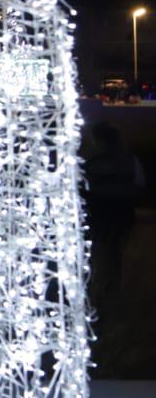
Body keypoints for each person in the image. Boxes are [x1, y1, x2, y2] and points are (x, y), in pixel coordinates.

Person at [84, 122, 144, 301]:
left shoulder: (91, 163)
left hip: (99, 213)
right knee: (114, 250)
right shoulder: (130, 160)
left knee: (99, 250)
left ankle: (99, 287)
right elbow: (140, 183)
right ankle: (112, 286)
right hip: (122, 212)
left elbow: (83, 189)